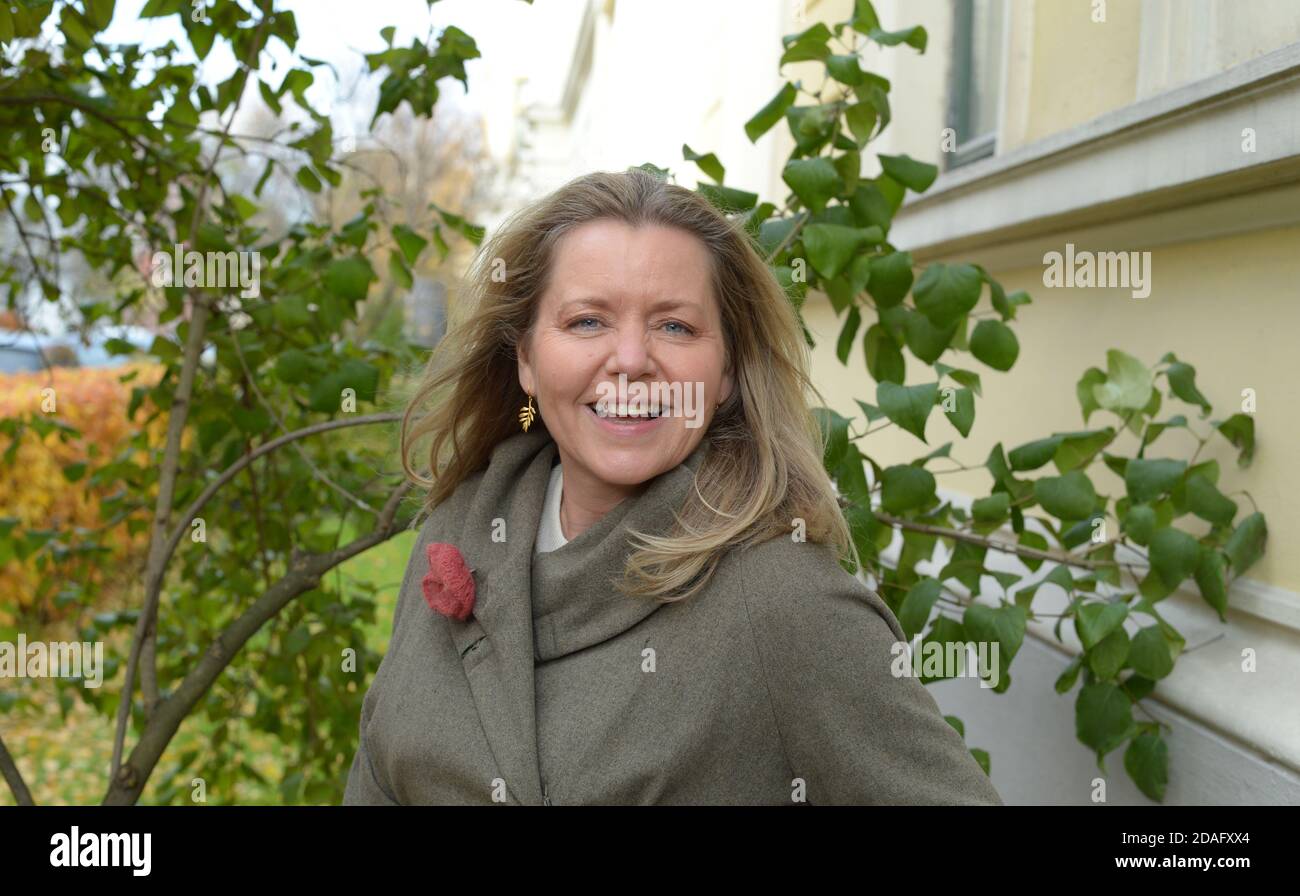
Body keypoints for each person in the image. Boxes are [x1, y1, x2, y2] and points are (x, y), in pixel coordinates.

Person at [343, 168, 1003, 805]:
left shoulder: (786, 605)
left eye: (675, 326)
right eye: (588, 321)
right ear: (525, 358)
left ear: (725, 374)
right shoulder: (458, 530)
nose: (631, 361)